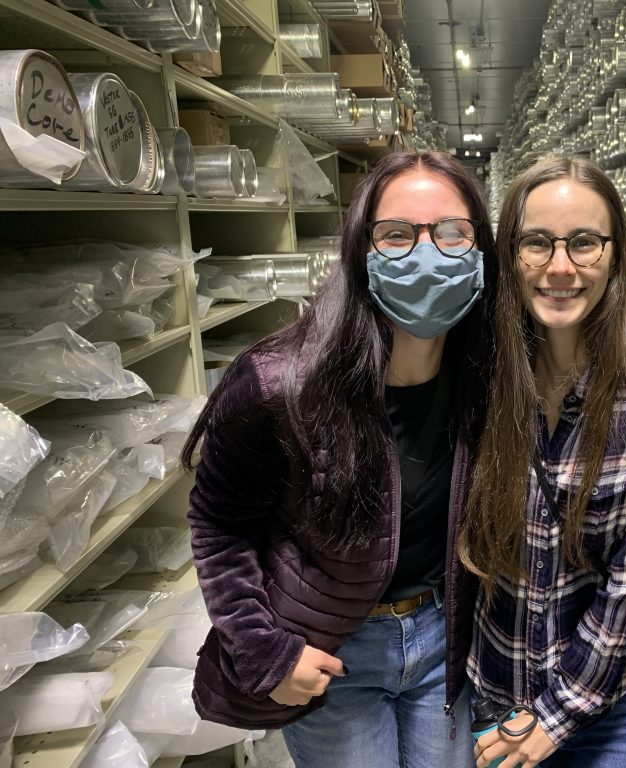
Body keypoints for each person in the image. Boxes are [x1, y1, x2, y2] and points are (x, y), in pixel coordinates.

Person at [182, 150, 497, 768]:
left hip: (443, 642)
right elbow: (218, 524)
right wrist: (264, 652)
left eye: (452, 232)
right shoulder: (281, 384)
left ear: (480, 249)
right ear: (362, 249)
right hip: (332, 654)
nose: (427, 253)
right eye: (398, 234)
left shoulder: (485, 378)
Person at [459, 156, 626, 768]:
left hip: (612, 707)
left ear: (617, 252)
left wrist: (556, 715)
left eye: (584, 244)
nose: (560, 267)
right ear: (509, 254)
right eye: (537, 244)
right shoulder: (479, 367)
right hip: (492, 692)